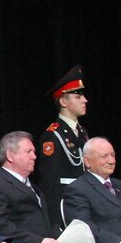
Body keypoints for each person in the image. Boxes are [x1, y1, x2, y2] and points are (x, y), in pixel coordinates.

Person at [36, 66, 89, 230]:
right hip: (66, 207)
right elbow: (50, 183)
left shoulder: (82, 132)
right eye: (77, 96)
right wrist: (54, 222)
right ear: (63, 102)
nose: (85, 100)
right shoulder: (53, 135)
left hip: (84, 202)